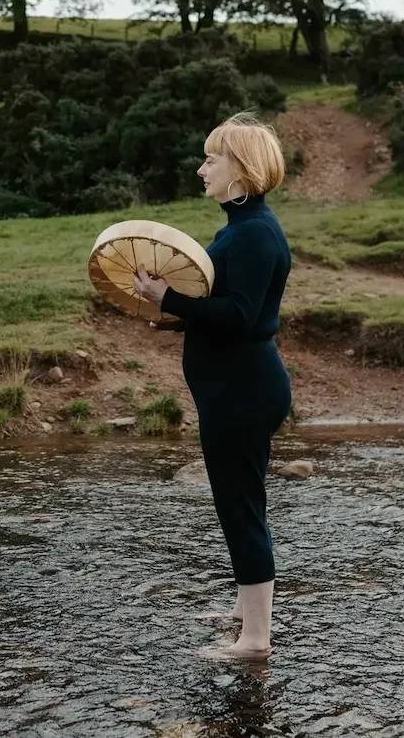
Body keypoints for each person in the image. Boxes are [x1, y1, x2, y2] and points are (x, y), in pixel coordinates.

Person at [132, 112, 292, 661]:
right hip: (237, 387)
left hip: (242, 391)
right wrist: (176, 318)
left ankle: (254, 640)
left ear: (241, 170)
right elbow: (225, 305)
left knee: (239, 507)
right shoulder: (241, 228)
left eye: (211, 159)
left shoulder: (252, 235)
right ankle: (248, 612)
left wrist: (168, 301)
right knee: (241, 504)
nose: (201, 169)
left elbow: (243, 315)